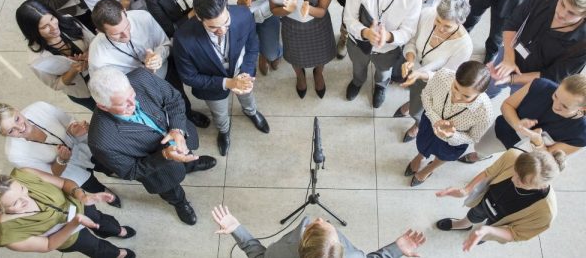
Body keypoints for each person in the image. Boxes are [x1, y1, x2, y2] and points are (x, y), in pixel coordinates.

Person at [87, 67, 217, 225]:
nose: (133, 103)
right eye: (123, 104)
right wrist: (165, 156)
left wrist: (177, 128)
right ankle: (180, 202)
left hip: (180, 136)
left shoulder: (142, 77)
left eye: (132, 95)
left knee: (188, 154)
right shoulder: (101, 141)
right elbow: (131, 171)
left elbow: (173, 99)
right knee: (171, 190)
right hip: (158, 171)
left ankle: (191, 164)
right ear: (103, 106)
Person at [173, 0, 270, 156]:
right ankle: (224, 130)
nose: (222, 30)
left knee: (247, 96)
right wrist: (227, 83)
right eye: (213, 28)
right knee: (219, 112)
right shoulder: (183, 38)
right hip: (211, 84)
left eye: (226, 23)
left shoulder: (243, 15)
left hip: (241, 70)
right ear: (198, 17)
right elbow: (188, 76)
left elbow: (252, 45)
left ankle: (251, 112)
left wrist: (246, 73)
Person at [88, 0, 210, 128]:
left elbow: (166, 43)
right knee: (158, 112)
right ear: (101, 31)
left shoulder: (143, 17)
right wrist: (144, 72)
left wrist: (158, 55)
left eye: (127, 26)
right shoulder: (97, 55)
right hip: (139, 90)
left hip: (166, 71)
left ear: (124, 11)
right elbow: (108, 89)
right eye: (117, 34)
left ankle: (188, 114)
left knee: (179, 97)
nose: (126, 35)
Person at [0, 101, 120, 207]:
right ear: (2, 135)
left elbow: (68, 121)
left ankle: (111, 171)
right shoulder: (15, 155)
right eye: (11, 131)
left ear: (16, 109)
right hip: (71, 171)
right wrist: (62, 160)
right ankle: (106, 193)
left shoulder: (39, 108)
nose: (20, 127)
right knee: (92, 184)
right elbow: (53, 174)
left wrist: (76, 128)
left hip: (85, 148)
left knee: (104, 163)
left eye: (17, 119)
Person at [0, 168, 135, 258]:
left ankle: (116, 230)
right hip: (68, 237)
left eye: (23, 189)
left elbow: (64, 183)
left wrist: (83, 196)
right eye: (16, 203)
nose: (27, 198)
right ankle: (116, 254)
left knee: (99, 218)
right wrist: (74, 224)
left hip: (78, 204)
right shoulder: (10, 236)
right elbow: (47, 245)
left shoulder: (23, 174)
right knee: (95, 247)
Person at [435, 149, 565, 251]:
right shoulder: (513, 156)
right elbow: (489, 172)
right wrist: (466, 190)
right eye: (515, 171)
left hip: (502, 220)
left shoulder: (545, 213)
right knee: (476, 212)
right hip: (488, 199)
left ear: (541, 185)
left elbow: (516, 234)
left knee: (488, 230)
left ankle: (484, 234)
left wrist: (489, 230)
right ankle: (464, 224)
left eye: (522, 181)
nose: (514, 179)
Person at [343, 0, 422, 108]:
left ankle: (380, 86)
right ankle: (358, 81)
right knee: (358, 67)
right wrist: (365, 32)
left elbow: (409, 31)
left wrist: (389, 37)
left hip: (389, 49)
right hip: (358, 43)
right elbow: (349, 18)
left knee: (384, 71)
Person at [486, 0, 586, 97]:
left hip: (533, 82)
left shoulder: (582, 44)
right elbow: (512, 24)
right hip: (509, 52)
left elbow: (553, 76)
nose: (561, 13)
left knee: (514, 108)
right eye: (562, 4)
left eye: (572, 13)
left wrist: (511, 79)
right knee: (487, 90)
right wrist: (508, 58)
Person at [394, 0, 472, 143]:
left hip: (431, 83)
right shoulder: (426, 14)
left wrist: (420, 75)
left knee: (419, 110)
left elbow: (447, 76)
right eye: (438, 21)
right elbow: (411, 39)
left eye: (447, 26)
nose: (439, 29)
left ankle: (417, 124)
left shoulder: (464, 46)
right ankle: (410, 103)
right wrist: (410, 58)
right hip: (413, 68)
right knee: (413, 93)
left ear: (461, 22)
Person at [211, 204, 426, 257]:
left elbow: (259, 256)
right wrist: (396, 249)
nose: (320, 217)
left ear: (304, 241)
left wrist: (237, 229)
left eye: (316, 223)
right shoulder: (353, 256)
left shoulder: (281, 254)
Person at [405, 61, 494, 186]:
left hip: (453, 142)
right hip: (430, 124)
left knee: (443, 156)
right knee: (422, 144)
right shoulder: (442, 76)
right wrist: (435, 120)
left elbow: (474, 137)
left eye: (466, 96)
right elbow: (426, 96)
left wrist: (452, 135)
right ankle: (420, 157)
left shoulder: (484, 112)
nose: (457, 96)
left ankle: (428, 169)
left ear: (480, 93)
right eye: (456, 87)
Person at [16, 0, 96, 111]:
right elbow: (55, 85)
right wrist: (72, 71)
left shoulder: (69, 20)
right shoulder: (36, 59)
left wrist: (88, 54)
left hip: (99, 73)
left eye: (52, 19)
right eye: (45, 27)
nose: (54, 27)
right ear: (33, 31)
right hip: (84, 92)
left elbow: (94, 40)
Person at [496, 74, 586, 155]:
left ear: (583, 109)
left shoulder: (581, 133)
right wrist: (517, 125)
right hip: (501, 131)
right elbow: (507, 105)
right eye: (555, 96)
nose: (555, 105)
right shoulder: (541, 86)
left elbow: (547, 160)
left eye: (565, 106)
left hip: (524, 157)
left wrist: (538, 143)